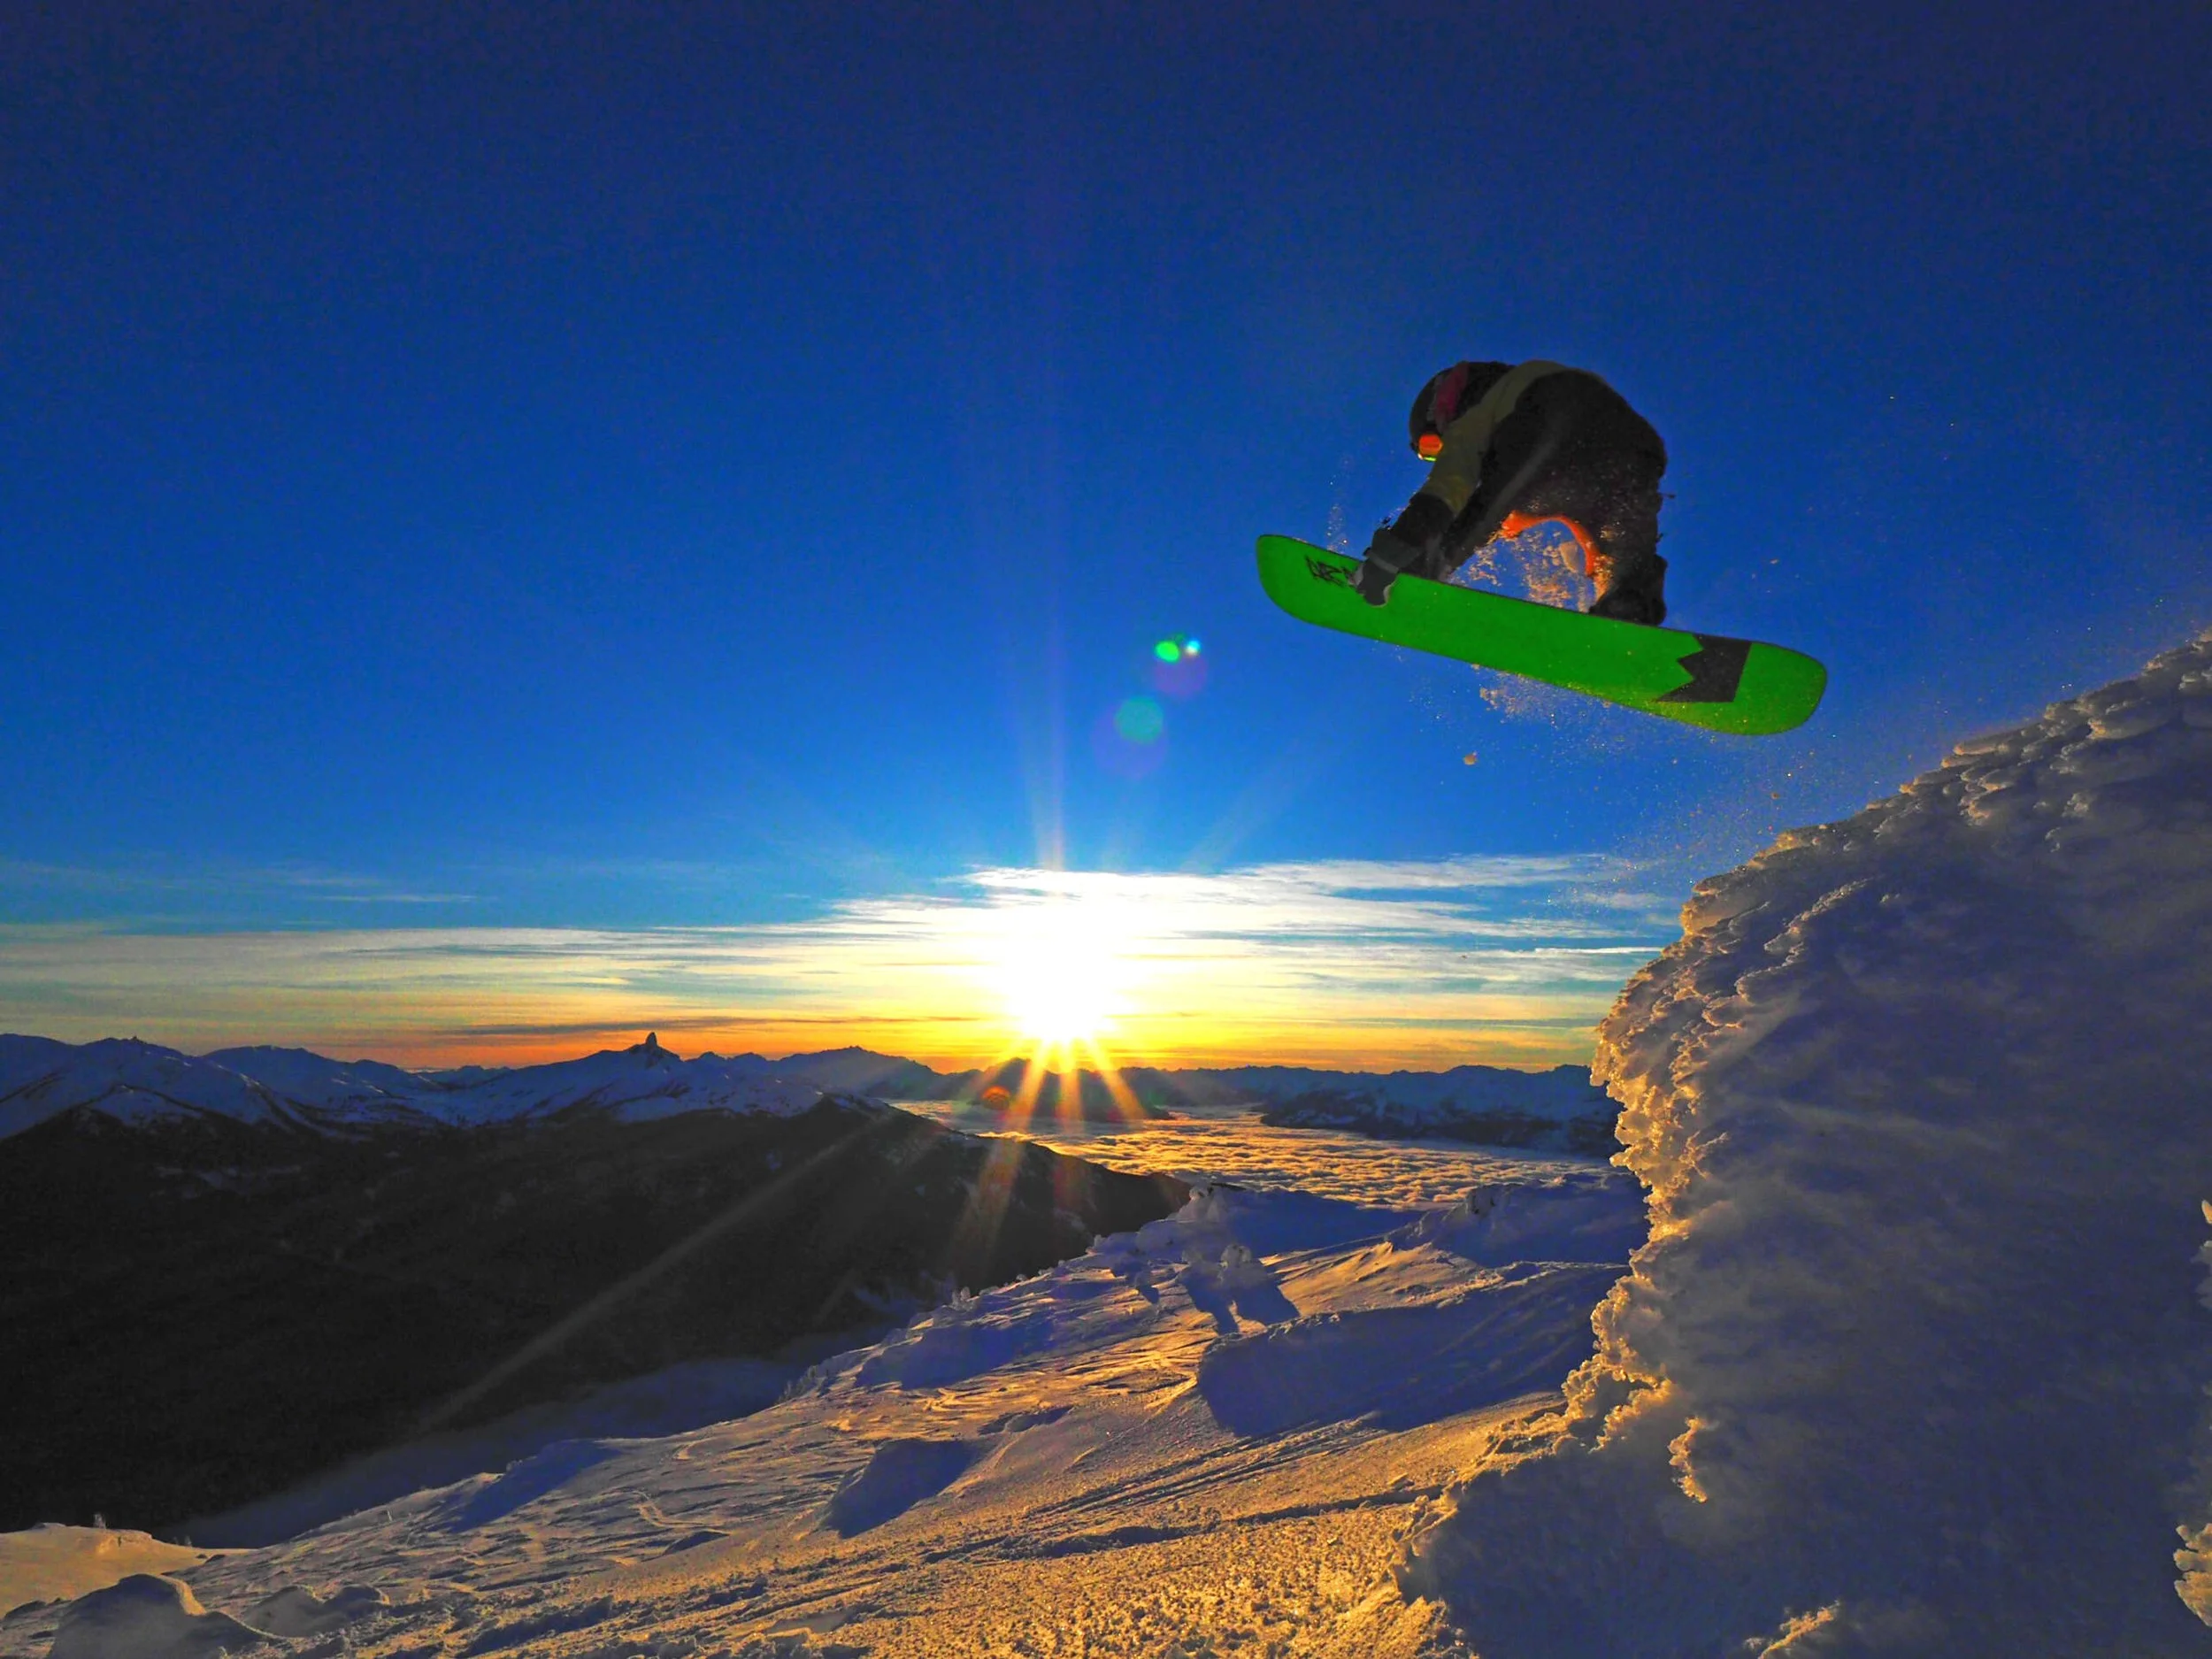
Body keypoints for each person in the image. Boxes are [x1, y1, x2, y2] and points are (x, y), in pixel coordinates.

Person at [1359, 360, 1670, 626]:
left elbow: (1450, 485)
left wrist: (1398, 547)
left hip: (1551, 417)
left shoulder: (1480, 407)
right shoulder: (1529, 377)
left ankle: (1411, 569)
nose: (1439, 453)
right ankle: (1628, 606)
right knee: (1620, 546)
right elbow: (1571, 495)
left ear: (1442, 407)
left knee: (1482, 510)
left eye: (1433, 446)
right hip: (1635, 448)